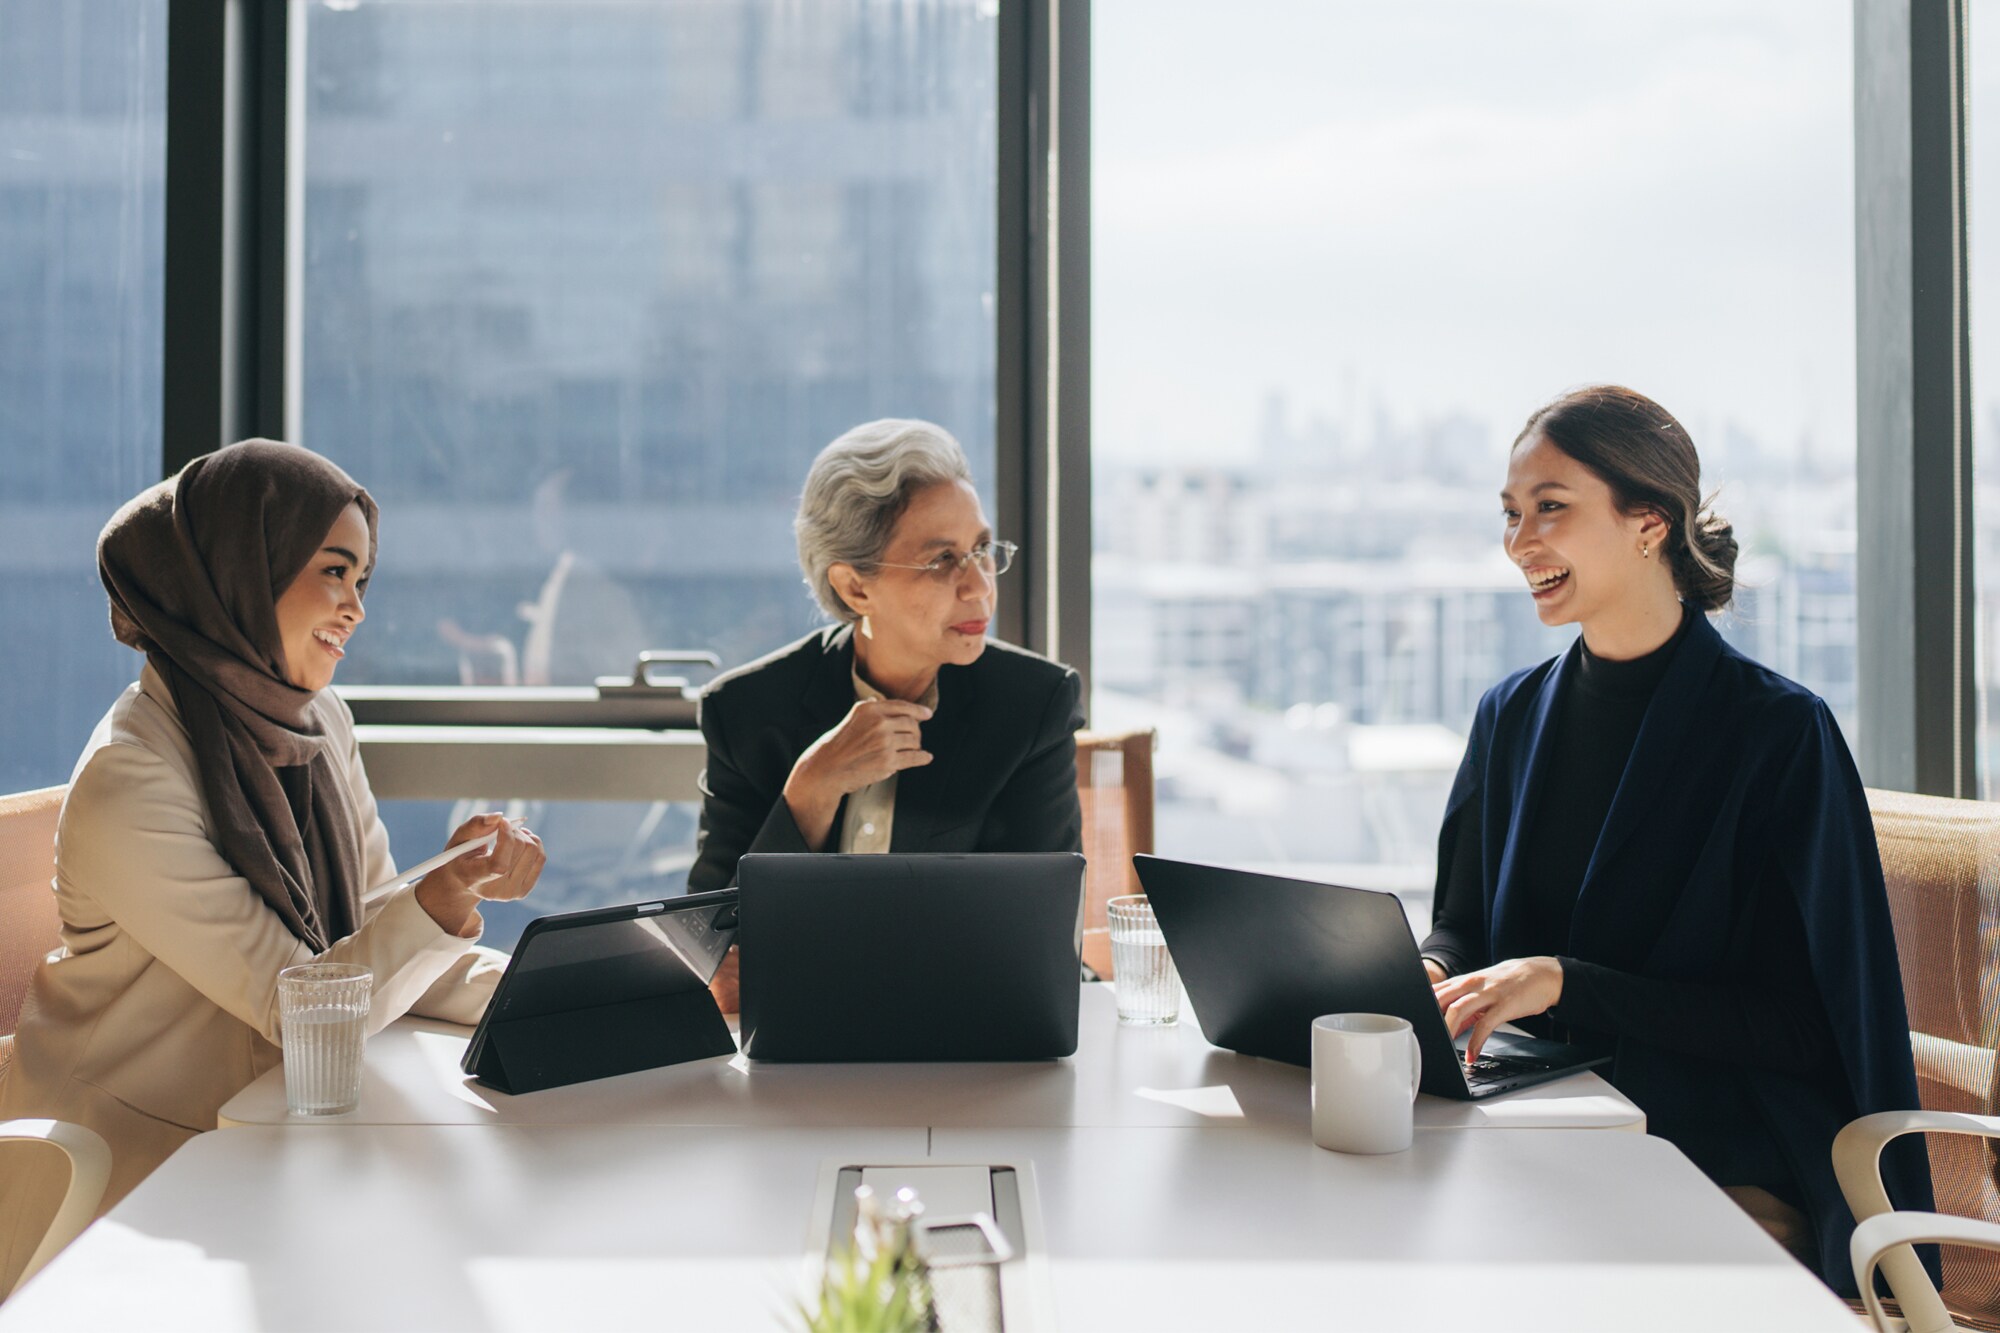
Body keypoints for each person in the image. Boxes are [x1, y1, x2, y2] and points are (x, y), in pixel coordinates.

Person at [1418, 385, 1932, 1292]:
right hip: (1543, 1126)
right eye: (1510, 513)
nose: (1519, 541)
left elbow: (1803, 1027)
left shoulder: (1779, 734)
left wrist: (1566, 982)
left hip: (1720, 1149)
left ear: (1649, 523)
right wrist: (1428, 972)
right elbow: (1463, 926)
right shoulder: (1509, 715)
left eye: (1550, 507)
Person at [0, 441, 546, 1293]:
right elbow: (302, 1005)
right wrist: (435, 905)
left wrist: (586, 989)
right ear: (241, 573)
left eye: (363, 578)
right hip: (123, 1179)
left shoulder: (318, 721)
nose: (356, 606)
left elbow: (369, 934)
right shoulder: (129, 779)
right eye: (334, 571)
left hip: (264, 1132)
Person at [689, 419, 1085, 1006]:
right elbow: (713, 955)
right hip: (796, 1045)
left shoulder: (1032, 704)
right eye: (942, 560)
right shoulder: (745, 711)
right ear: (855, 588)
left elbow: (1038, 945)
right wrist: (809, 793)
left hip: (965, 1038)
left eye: (981, 549)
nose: (979, 587)